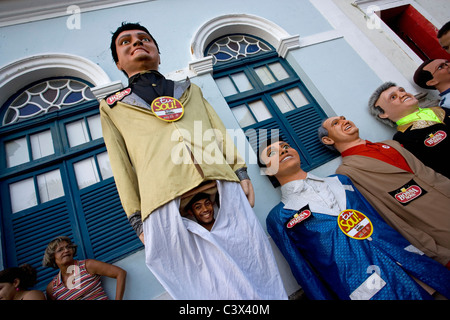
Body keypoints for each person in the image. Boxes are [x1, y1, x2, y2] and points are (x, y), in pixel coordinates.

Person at [99, 22, 287, 299]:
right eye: (125, 42)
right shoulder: (112, 106)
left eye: (144, 38)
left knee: (253, 261)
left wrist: (241, 172)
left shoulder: (188, 89)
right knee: (200, 284)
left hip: (221, 185)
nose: (136, 42)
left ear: (158, 54)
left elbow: (217, 130)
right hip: (163, 202)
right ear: (118, 63)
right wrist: (137, 219)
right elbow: (121, 164)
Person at [258, 139, 450, 300]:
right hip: (364, 284)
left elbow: (377, 218)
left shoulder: (341, 181)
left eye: (285, 146)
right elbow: (304, 272)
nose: (283, 150)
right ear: (268, 171)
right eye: (272, 153)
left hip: (409, 261)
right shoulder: (279, 217)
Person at [319, 116, 450, 268]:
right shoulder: (348, 172)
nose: (345, 121)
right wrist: (434, 252)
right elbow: (388, 215)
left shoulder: (391, 144)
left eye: (344, 118)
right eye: (336, 123)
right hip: (439, 229)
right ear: (328, 140)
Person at [368, 82, 450, 178]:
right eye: (393, 97)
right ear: (383, 114)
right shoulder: (403, 138)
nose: (403, 94)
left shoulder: (441, 109)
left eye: (402, 90)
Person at [43, 236, 127, 300]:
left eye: (68, 247)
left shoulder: (87, 266)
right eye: (60, 250)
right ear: (52, 257)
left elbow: (120, 273)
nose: (66, 250)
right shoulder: (52, 288)